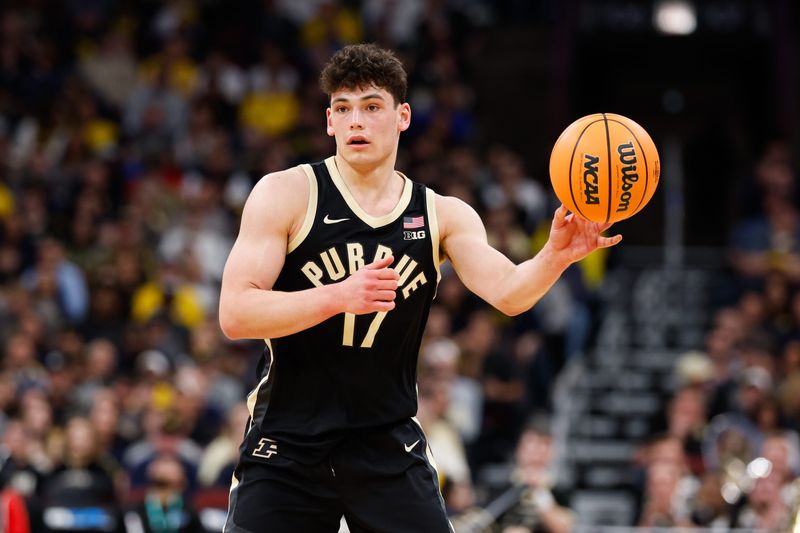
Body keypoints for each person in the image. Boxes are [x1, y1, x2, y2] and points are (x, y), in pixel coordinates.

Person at [218, 43, 621, 533]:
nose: (355, 122)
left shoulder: (442, 214)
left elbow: (510, 294)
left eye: (371, 107)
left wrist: (555, 256)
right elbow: (236, 313)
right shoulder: (285, 194)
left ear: (402, 116)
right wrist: (338, 295)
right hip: (287, 441)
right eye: (342, 109)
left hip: (385, 442)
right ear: (329, 122)